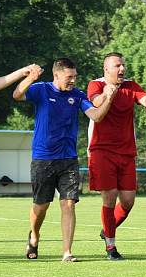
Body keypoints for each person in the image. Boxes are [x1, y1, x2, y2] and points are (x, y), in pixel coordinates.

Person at [13, 58, 115, 262]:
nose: (73, 81)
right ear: (57, 75)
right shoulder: (41, 89)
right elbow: (17, 95)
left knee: (68, 204)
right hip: (43, 158)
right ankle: (34, 234)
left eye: (75, 77)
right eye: (70, 77)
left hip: (68, 159)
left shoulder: (77, 96)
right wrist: (30, 78)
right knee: (41, 205)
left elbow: (95, 116)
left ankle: (67, 252)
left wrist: (108, 99)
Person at [87, 53, 146, 260]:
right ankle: (111, 247)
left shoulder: (131, 86)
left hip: (127, 152)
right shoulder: (95, 84)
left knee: (128, 201)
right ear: (106, 69)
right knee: (109, 198)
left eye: (123, 65)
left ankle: (107, 230)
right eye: (117, 66)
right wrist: (107, 95)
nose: (122, 69)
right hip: (102, 150)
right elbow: (94, 103)